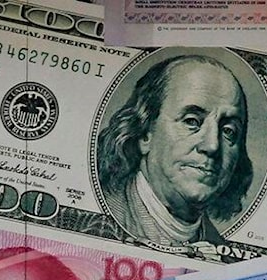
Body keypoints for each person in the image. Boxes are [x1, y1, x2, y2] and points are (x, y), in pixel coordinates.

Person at [96, 54, 253, 252]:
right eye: (191, 121)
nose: (212, 145)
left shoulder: (225, 255)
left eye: (229, 131)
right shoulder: (103, 219)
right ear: (145, 133)